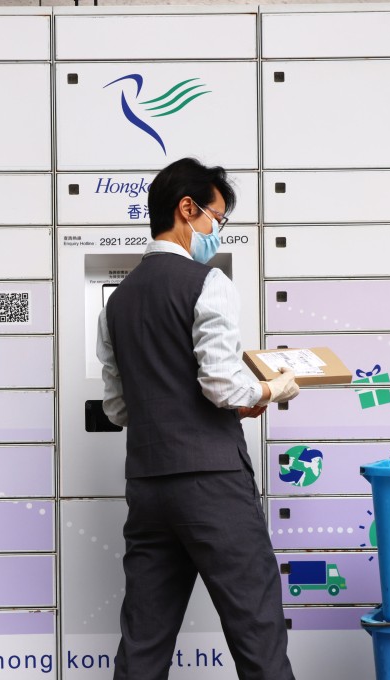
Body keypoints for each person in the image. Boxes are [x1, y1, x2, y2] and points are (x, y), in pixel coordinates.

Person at [96, 157, 301, 680]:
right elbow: (221, 385)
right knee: (257, 632)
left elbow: (119, 409)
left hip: (147, 486)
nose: (218, 230)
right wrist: (272, 387)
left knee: (143, 642)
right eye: (218, 217)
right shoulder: (208, 282)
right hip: (212, 483)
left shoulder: (116, 303)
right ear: (187, 209)